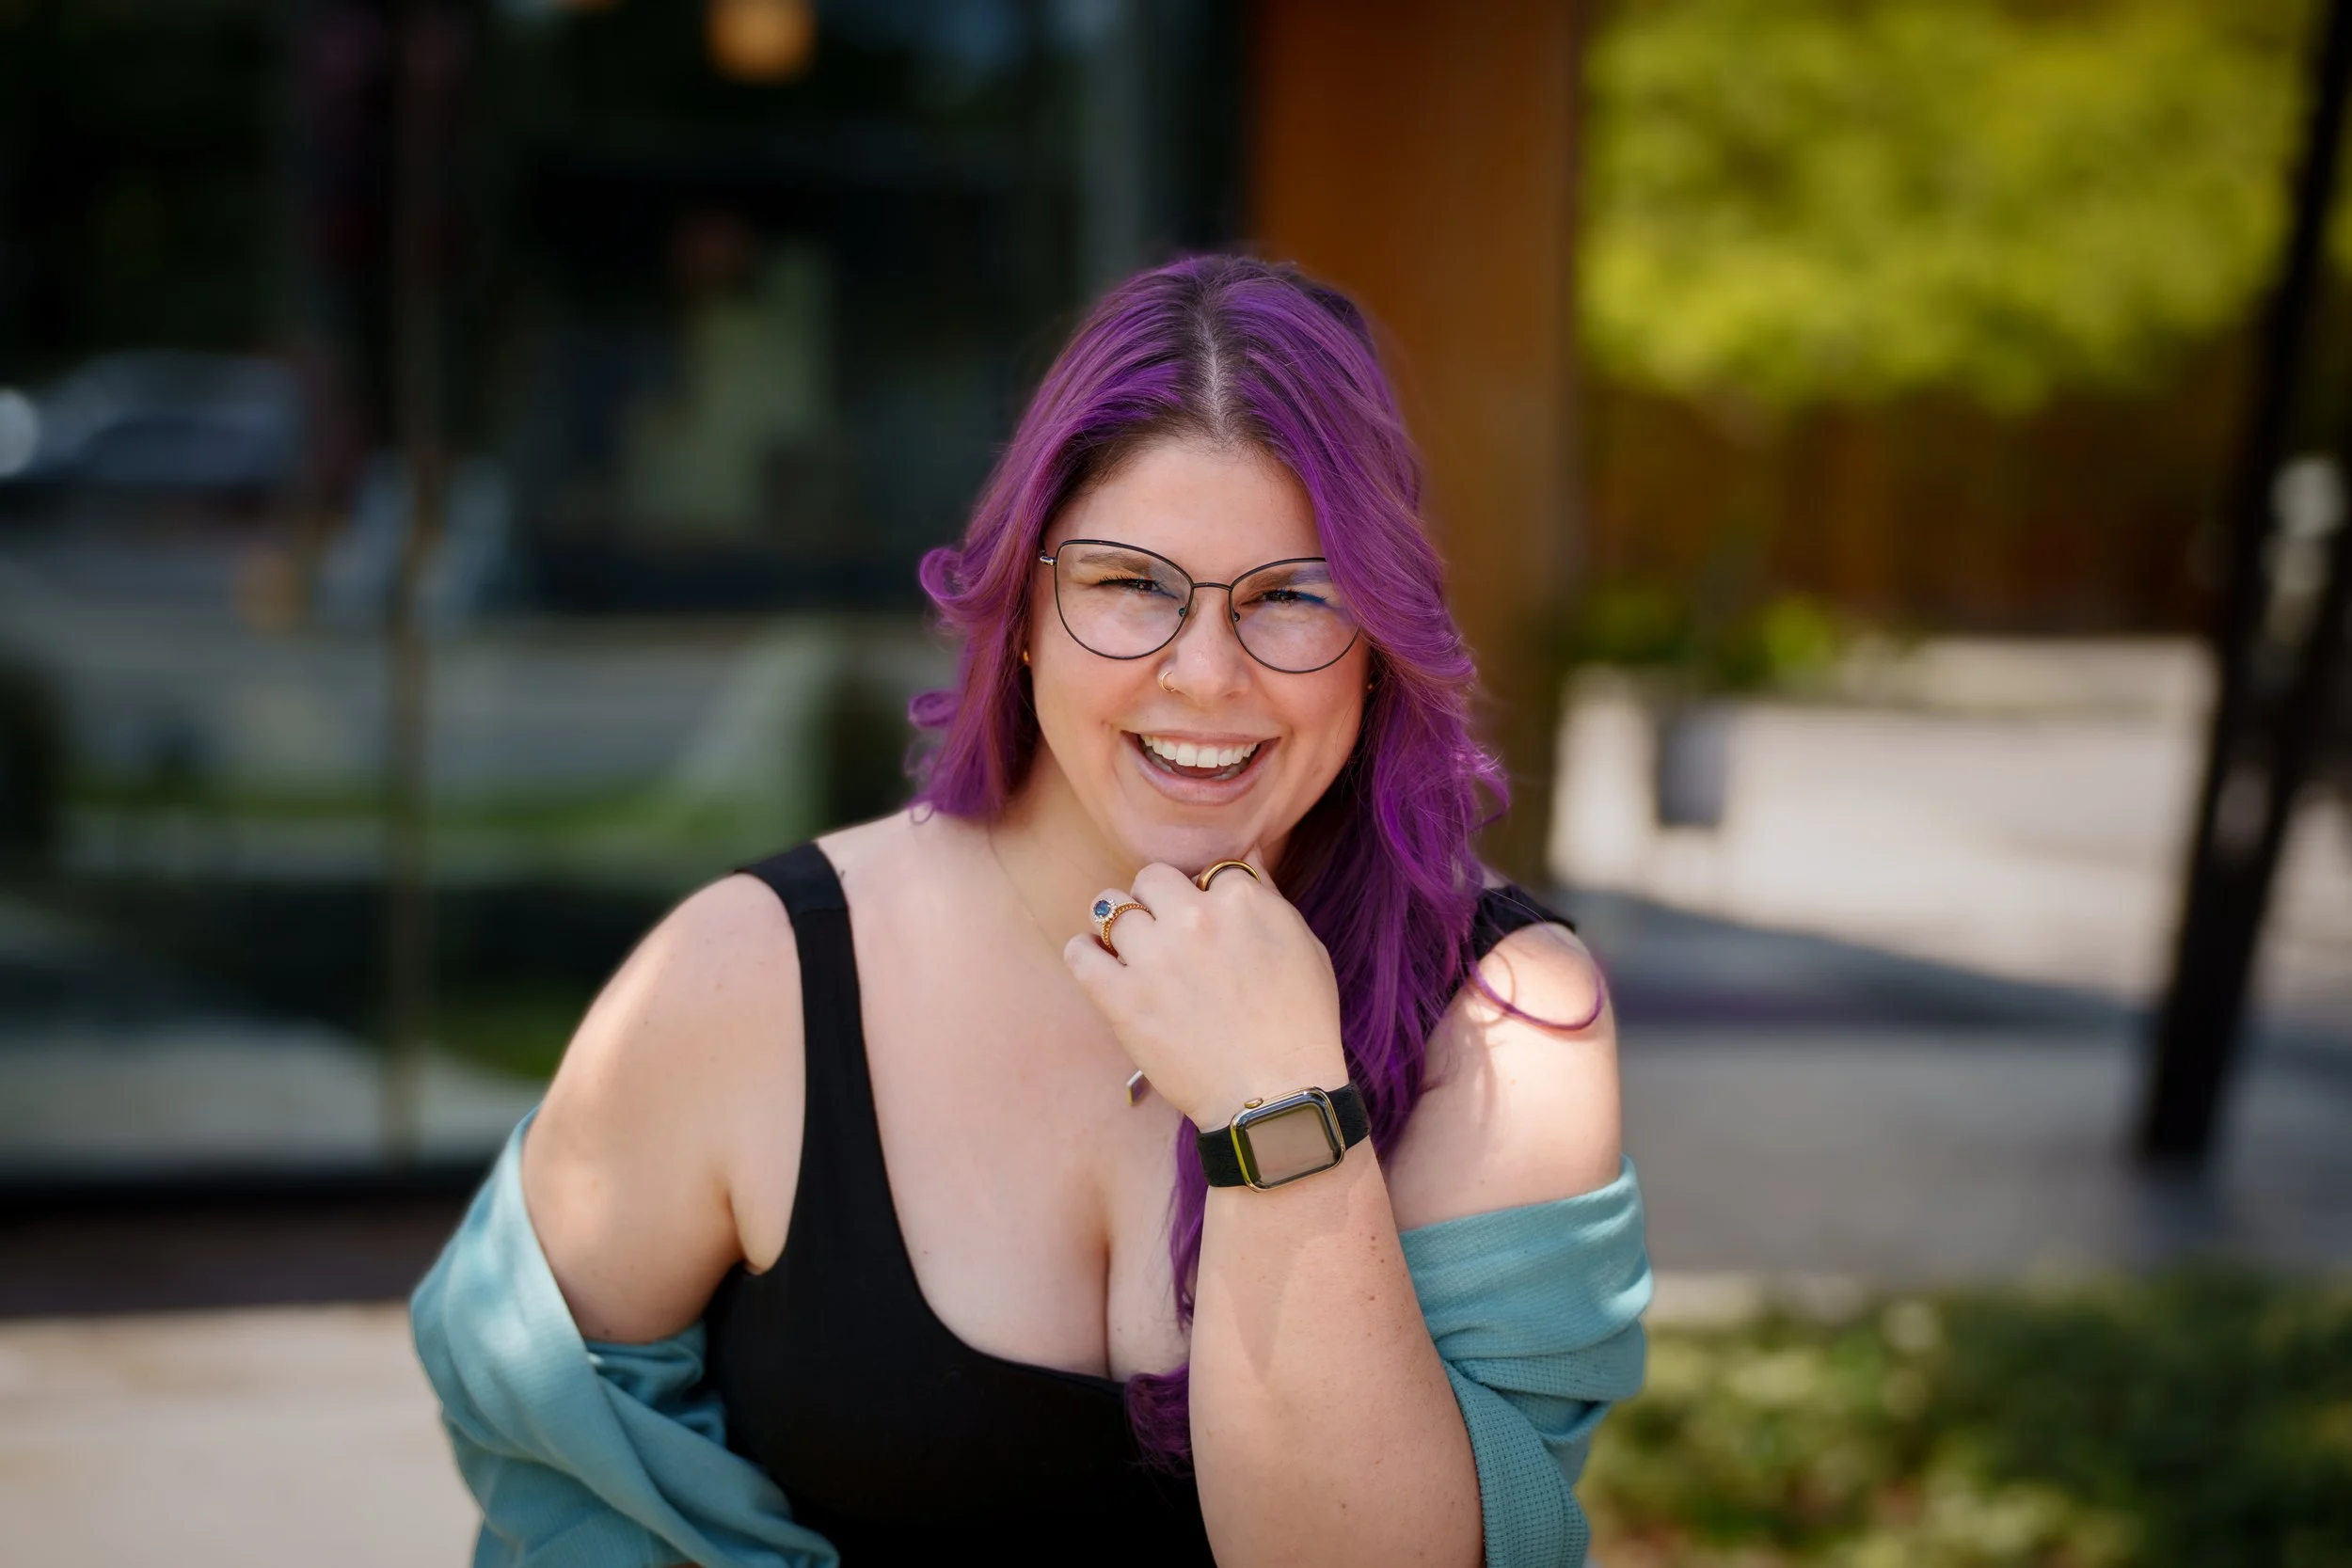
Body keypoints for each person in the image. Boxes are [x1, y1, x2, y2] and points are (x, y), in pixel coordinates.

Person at [413, 254, 1649, 1568]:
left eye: (1295, 594)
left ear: (1380, 636)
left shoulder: (1508, 1023)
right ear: (1024, 609)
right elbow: (571, 1492)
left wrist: (1279, 1109)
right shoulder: (748, 980)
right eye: (1130, 583)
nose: (1206, 674)